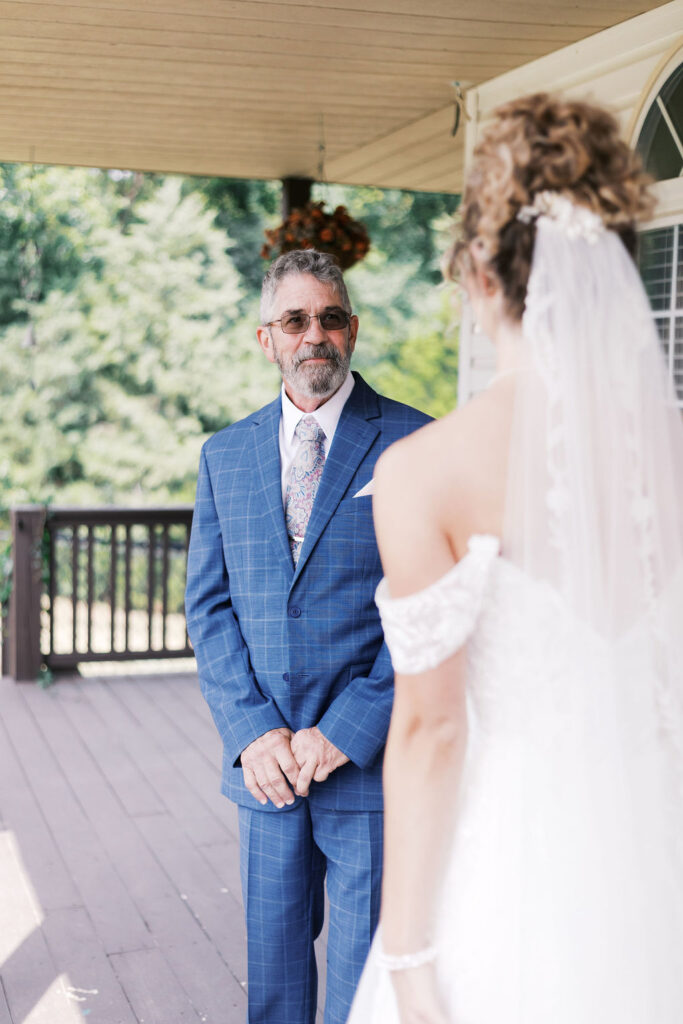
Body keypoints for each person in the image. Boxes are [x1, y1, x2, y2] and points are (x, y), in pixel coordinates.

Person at [347, 94, 683, 1024]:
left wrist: (409, 954)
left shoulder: (424, 473)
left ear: (479, 272)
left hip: (510, 876)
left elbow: (431, 732)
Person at [185, 248, 431, 1024]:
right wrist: (254, 734)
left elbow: (424, 606)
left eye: (329, 317)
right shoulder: (223, 456)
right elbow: (209, 609)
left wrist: (345, 731)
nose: (312, 334)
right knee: (276, 989)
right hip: (265, 773)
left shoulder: (414, 444)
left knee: (363, 990)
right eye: (294, 320)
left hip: (365, 766)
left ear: (352, 330)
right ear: (267, 338)